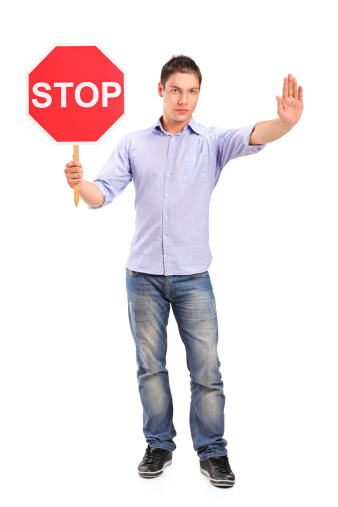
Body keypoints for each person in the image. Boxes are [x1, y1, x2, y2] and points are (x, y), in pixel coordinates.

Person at [64, 55, 304, 488]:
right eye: (176, 90)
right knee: (150, 368)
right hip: (142, 278)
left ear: (198, 94)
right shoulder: (134, 143)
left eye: (192, 91)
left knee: (206, 370)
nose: (183, 99)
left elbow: (254, 133)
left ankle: (213, 452)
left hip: (194, 277)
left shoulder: (211, 141)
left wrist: (284, 123)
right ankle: (159, 445)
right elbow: (101, 195)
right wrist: (77, 183)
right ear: (161, 90)